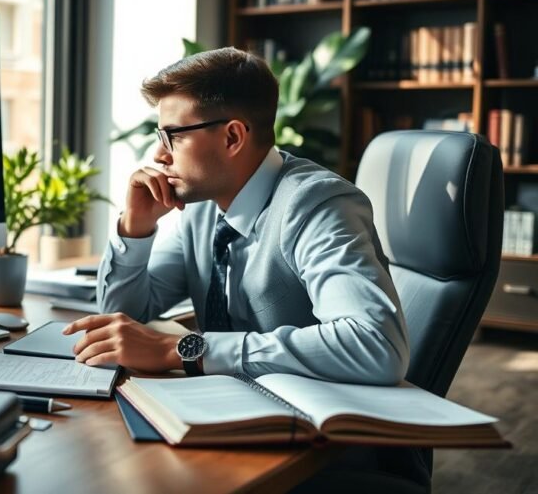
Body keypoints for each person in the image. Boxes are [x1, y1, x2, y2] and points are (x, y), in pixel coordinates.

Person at [62, 47, 410, 384]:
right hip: (223, 405)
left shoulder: (316, 205)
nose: (158, 155)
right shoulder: (202, 209)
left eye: (173, 137)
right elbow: (123, 319)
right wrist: (135, 228)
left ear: (232, 137)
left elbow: (376, 345)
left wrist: (183, 350)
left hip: (312, 426)